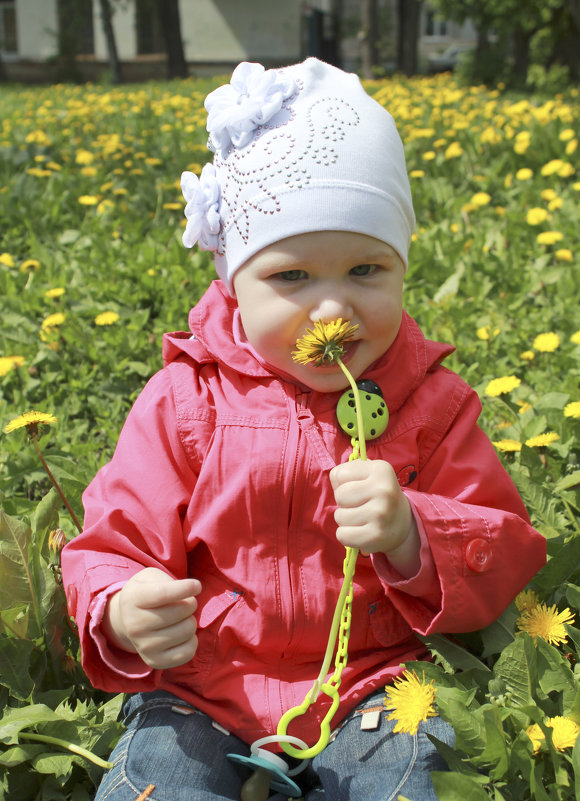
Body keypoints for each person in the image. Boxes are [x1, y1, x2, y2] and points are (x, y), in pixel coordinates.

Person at [61, 58, 546, 801]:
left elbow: (502, 544)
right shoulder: (186, 401)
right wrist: (124, 607)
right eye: (291, 278)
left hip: (372, 684)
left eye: (365, 270)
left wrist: (416, 534)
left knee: (413, 778)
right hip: (202, 687)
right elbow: (110, 543)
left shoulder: (433, 405)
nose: (331, 310)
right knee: (152, 785)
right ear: (232, 280)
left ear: (403, 267)